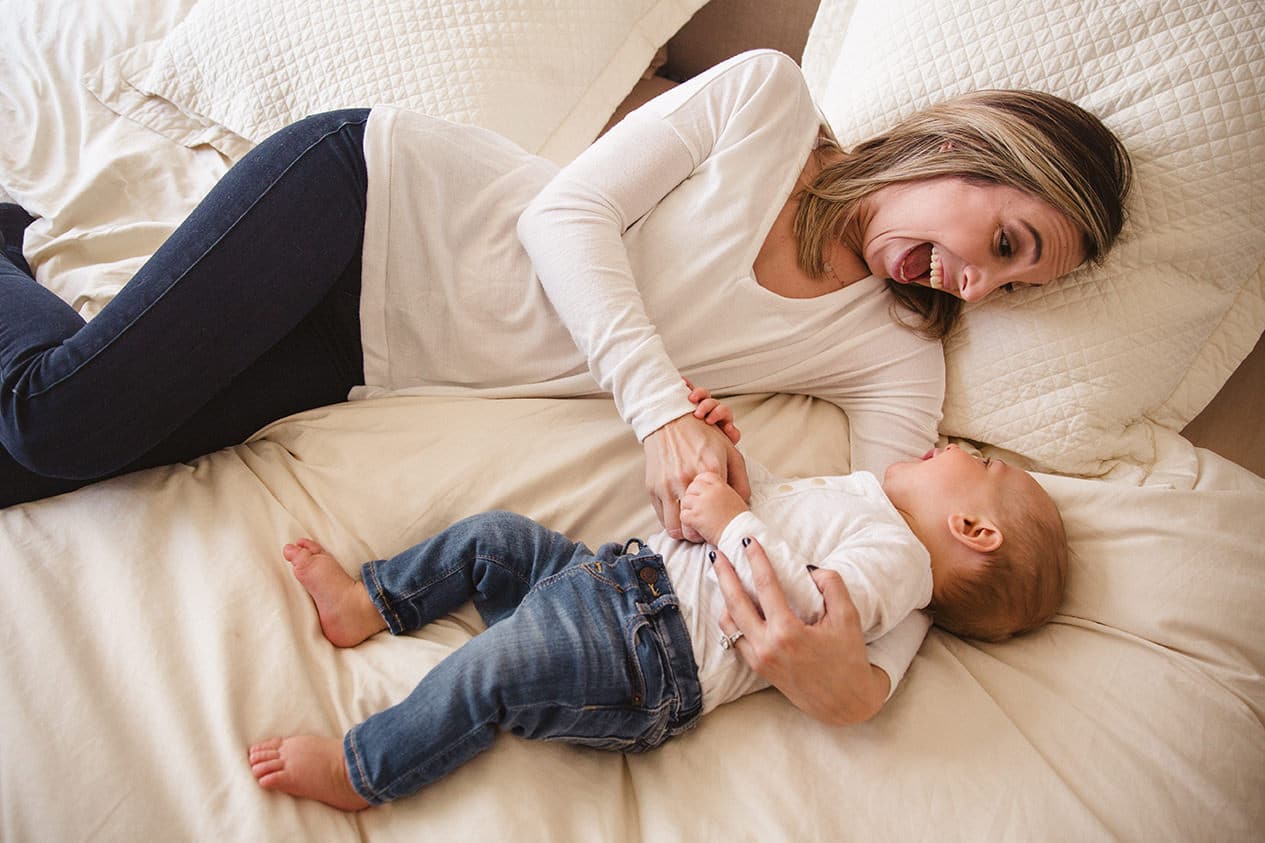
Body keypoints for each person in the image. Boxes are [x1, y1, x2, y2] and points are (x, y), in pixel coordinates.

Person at [0, 49, 1127, 720]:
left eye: (1010, 287)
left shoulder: (892, 348)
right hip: (365, 199)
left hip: (370, 351)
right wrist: (661, 412)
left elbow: (902, 542)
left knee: (22, 467)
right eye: (1006, 243)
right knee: (56, 422)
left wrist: (861, 685)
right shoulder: (768, 102)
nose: (976, 285)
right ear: (970, 156)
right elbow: (563, 214)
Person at [246, 414, 1067, 812]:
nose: (951, 445)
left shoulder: (901, 561)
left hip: (648, 657)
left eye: (976, 460)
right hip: (615, 583)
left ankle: (365, 769)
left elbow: (805, 604)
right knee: (494, 539)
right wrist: (732, 462)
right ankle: (369, 600)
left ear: (974, 528)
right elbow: (772, 518)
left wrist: (728, 518)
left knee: (491, 668)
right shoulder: (865, 505)